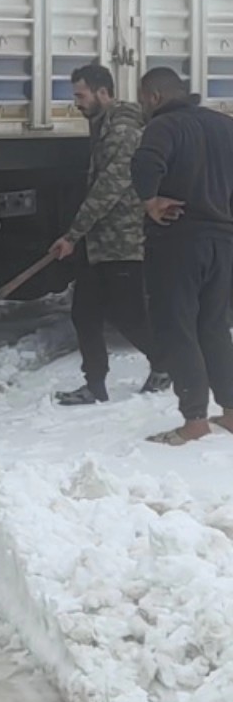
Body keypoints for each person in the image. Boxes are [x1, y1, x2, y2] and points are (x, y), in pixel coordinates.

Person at [49, 62, 168, 405]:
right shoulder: (103, 126)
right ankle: (95, 386)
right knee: (84, 313)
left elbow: (108, 189)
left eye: (81, 95)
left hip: (123, 242)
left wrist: (72, 235)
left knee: (128, 316)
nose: (77, 103)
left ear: (103, 93)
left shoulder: (123, 132)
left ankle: (164, 363)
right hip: (99, 242)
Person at [130, 67, 233, 445]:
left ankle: (194, 422)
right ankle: (232, 412)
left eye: (142, 99)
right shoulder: (226, 125)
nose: (142, 106)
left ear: (154, 96)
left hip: (179, 242)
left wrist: (150, 201)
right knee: (215, 326)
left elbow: (144, 164)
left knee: (177, 327)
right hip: (223, 241)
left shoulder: (164, 126)